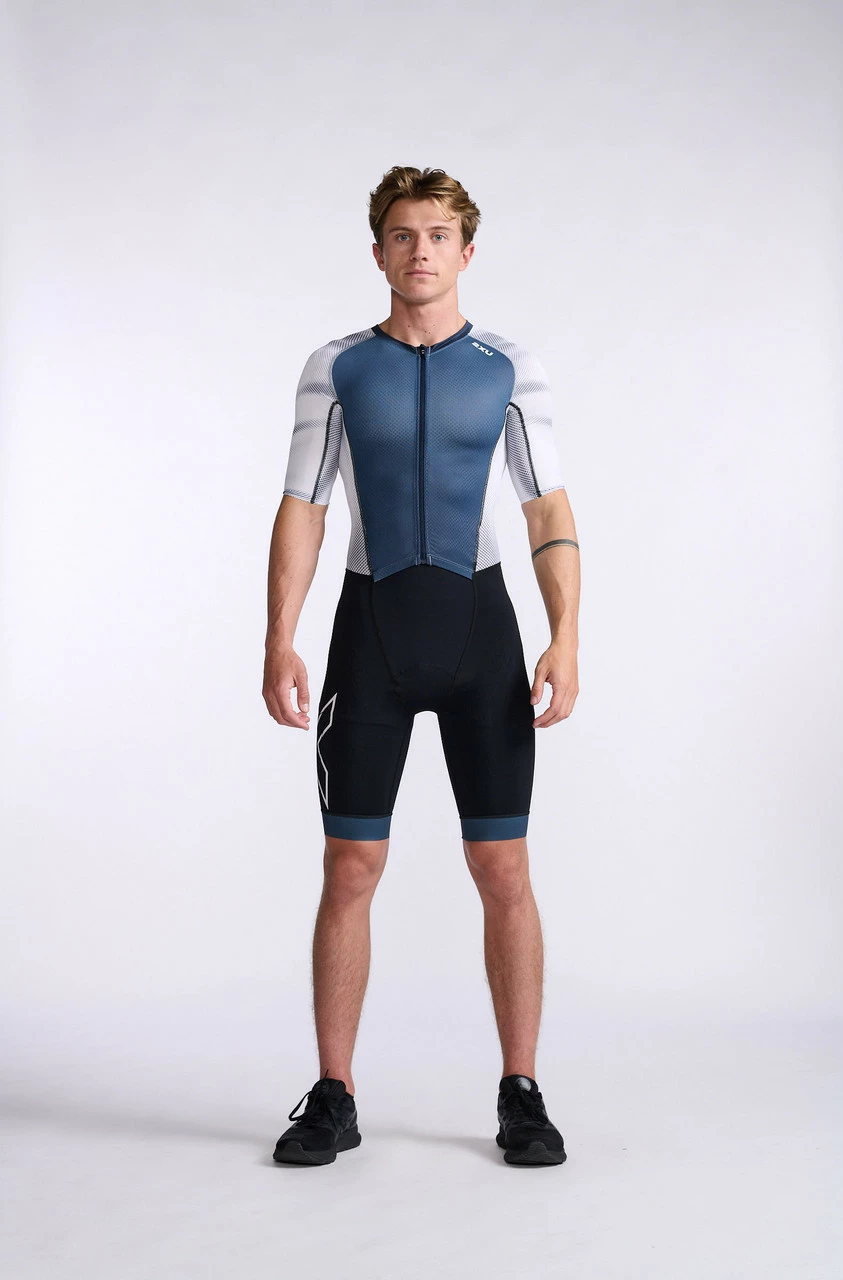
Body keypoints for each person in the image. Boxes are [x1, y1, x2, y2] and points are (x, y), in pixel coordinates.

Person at [262, 166, 580, 1167]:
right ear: (378, 252)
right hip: (373, 634)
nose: (420, 251)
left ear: (466, 251)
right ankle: (334, 1092)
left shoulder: (509, 367)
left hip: (481, 633)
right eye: (402, 235)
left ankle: (521, 1090)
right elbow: (303, 504)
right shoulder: (337, 367)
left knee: (503, 867)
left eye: (438, 235)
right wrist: (279, 635)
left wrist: (565, 635)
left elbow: (545, 507)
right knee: (349, 864)